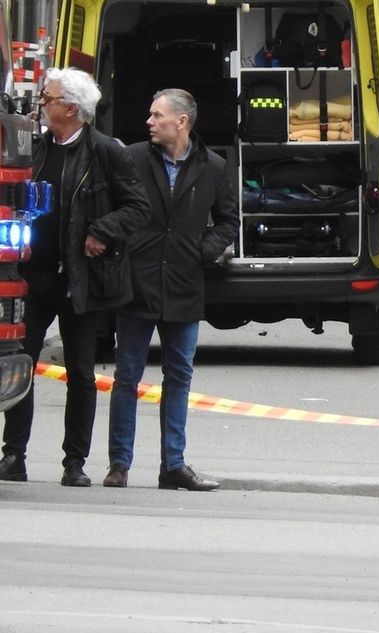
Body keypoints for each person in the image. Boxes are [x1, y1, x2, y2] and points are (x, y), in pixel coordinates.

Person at [0, 69, 150, 487]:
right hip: (33, 276)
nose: (41, 106)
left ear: (71, 107)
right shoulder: (35, 149)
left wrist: (102, 231)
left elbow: (138, 208)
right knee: (21, 364)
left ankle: (74, 463)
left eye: (46, 99)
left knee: (81, 373)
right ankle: (14, 455)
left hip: (80, 279)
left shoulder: (105, 152)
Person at [106, 89, 237, 491]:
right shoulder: (131, 159)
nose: (149, 121)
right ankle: (119, 465)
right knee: (127, 375)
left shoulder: (212, 167)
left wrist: (202, 252)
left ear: (181, 122)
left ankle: (173, 466)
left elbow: (229, 221)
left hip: (183, 284)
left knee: (178, 376)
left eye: (156, 115)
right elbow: (111, 209)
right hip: (138, 283)